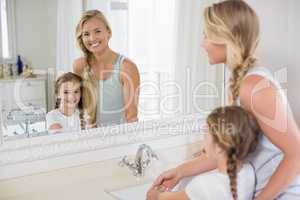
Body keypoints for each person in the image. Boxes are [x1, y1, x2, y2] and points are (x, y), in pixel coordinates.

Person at [150, 0, 300, 199]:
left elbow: (296, 154)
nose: (202, 44)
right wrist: (181, 171)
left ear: (226, 38)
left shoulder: (254, 87)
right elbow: (228, 150)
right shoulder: (237, 82)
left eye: (207, 36)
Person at [147, 106, 260, 200]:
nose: (203, 140)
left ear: (219, 147)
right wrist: (179, 172)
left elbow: (162, 198)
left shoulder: (203, 185)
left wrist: (155, 195)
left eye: (206, 135)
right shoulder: (248, 171)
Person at [73, 10, 140, 127]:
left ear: (108, 32)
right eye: (86, 34)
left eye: (97, 31)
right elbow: (80, 109)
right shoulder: (79, 66)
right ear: (81, 38)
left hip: (119, 137)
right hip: (90, 137)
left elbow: (131, 115)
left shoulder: (127, 67)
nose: (92, 38)